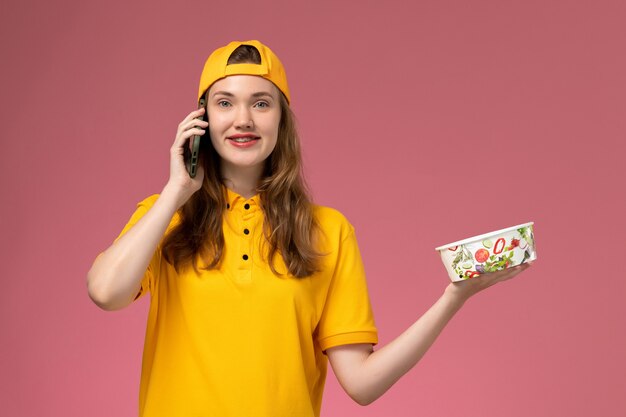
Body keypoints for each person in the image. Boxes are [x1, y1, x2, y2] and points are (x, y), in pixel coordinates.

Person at [86, 40, 532, 417]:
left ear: (281, 120)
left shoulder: (328, 231)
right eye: (225, 103)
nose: (243, 119)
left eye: (261, 103)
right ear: (201, 120)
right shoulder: (165, 215)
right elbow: (106, 292)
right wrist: (175, 191)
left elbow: (362, 384)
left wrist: (454, 297)